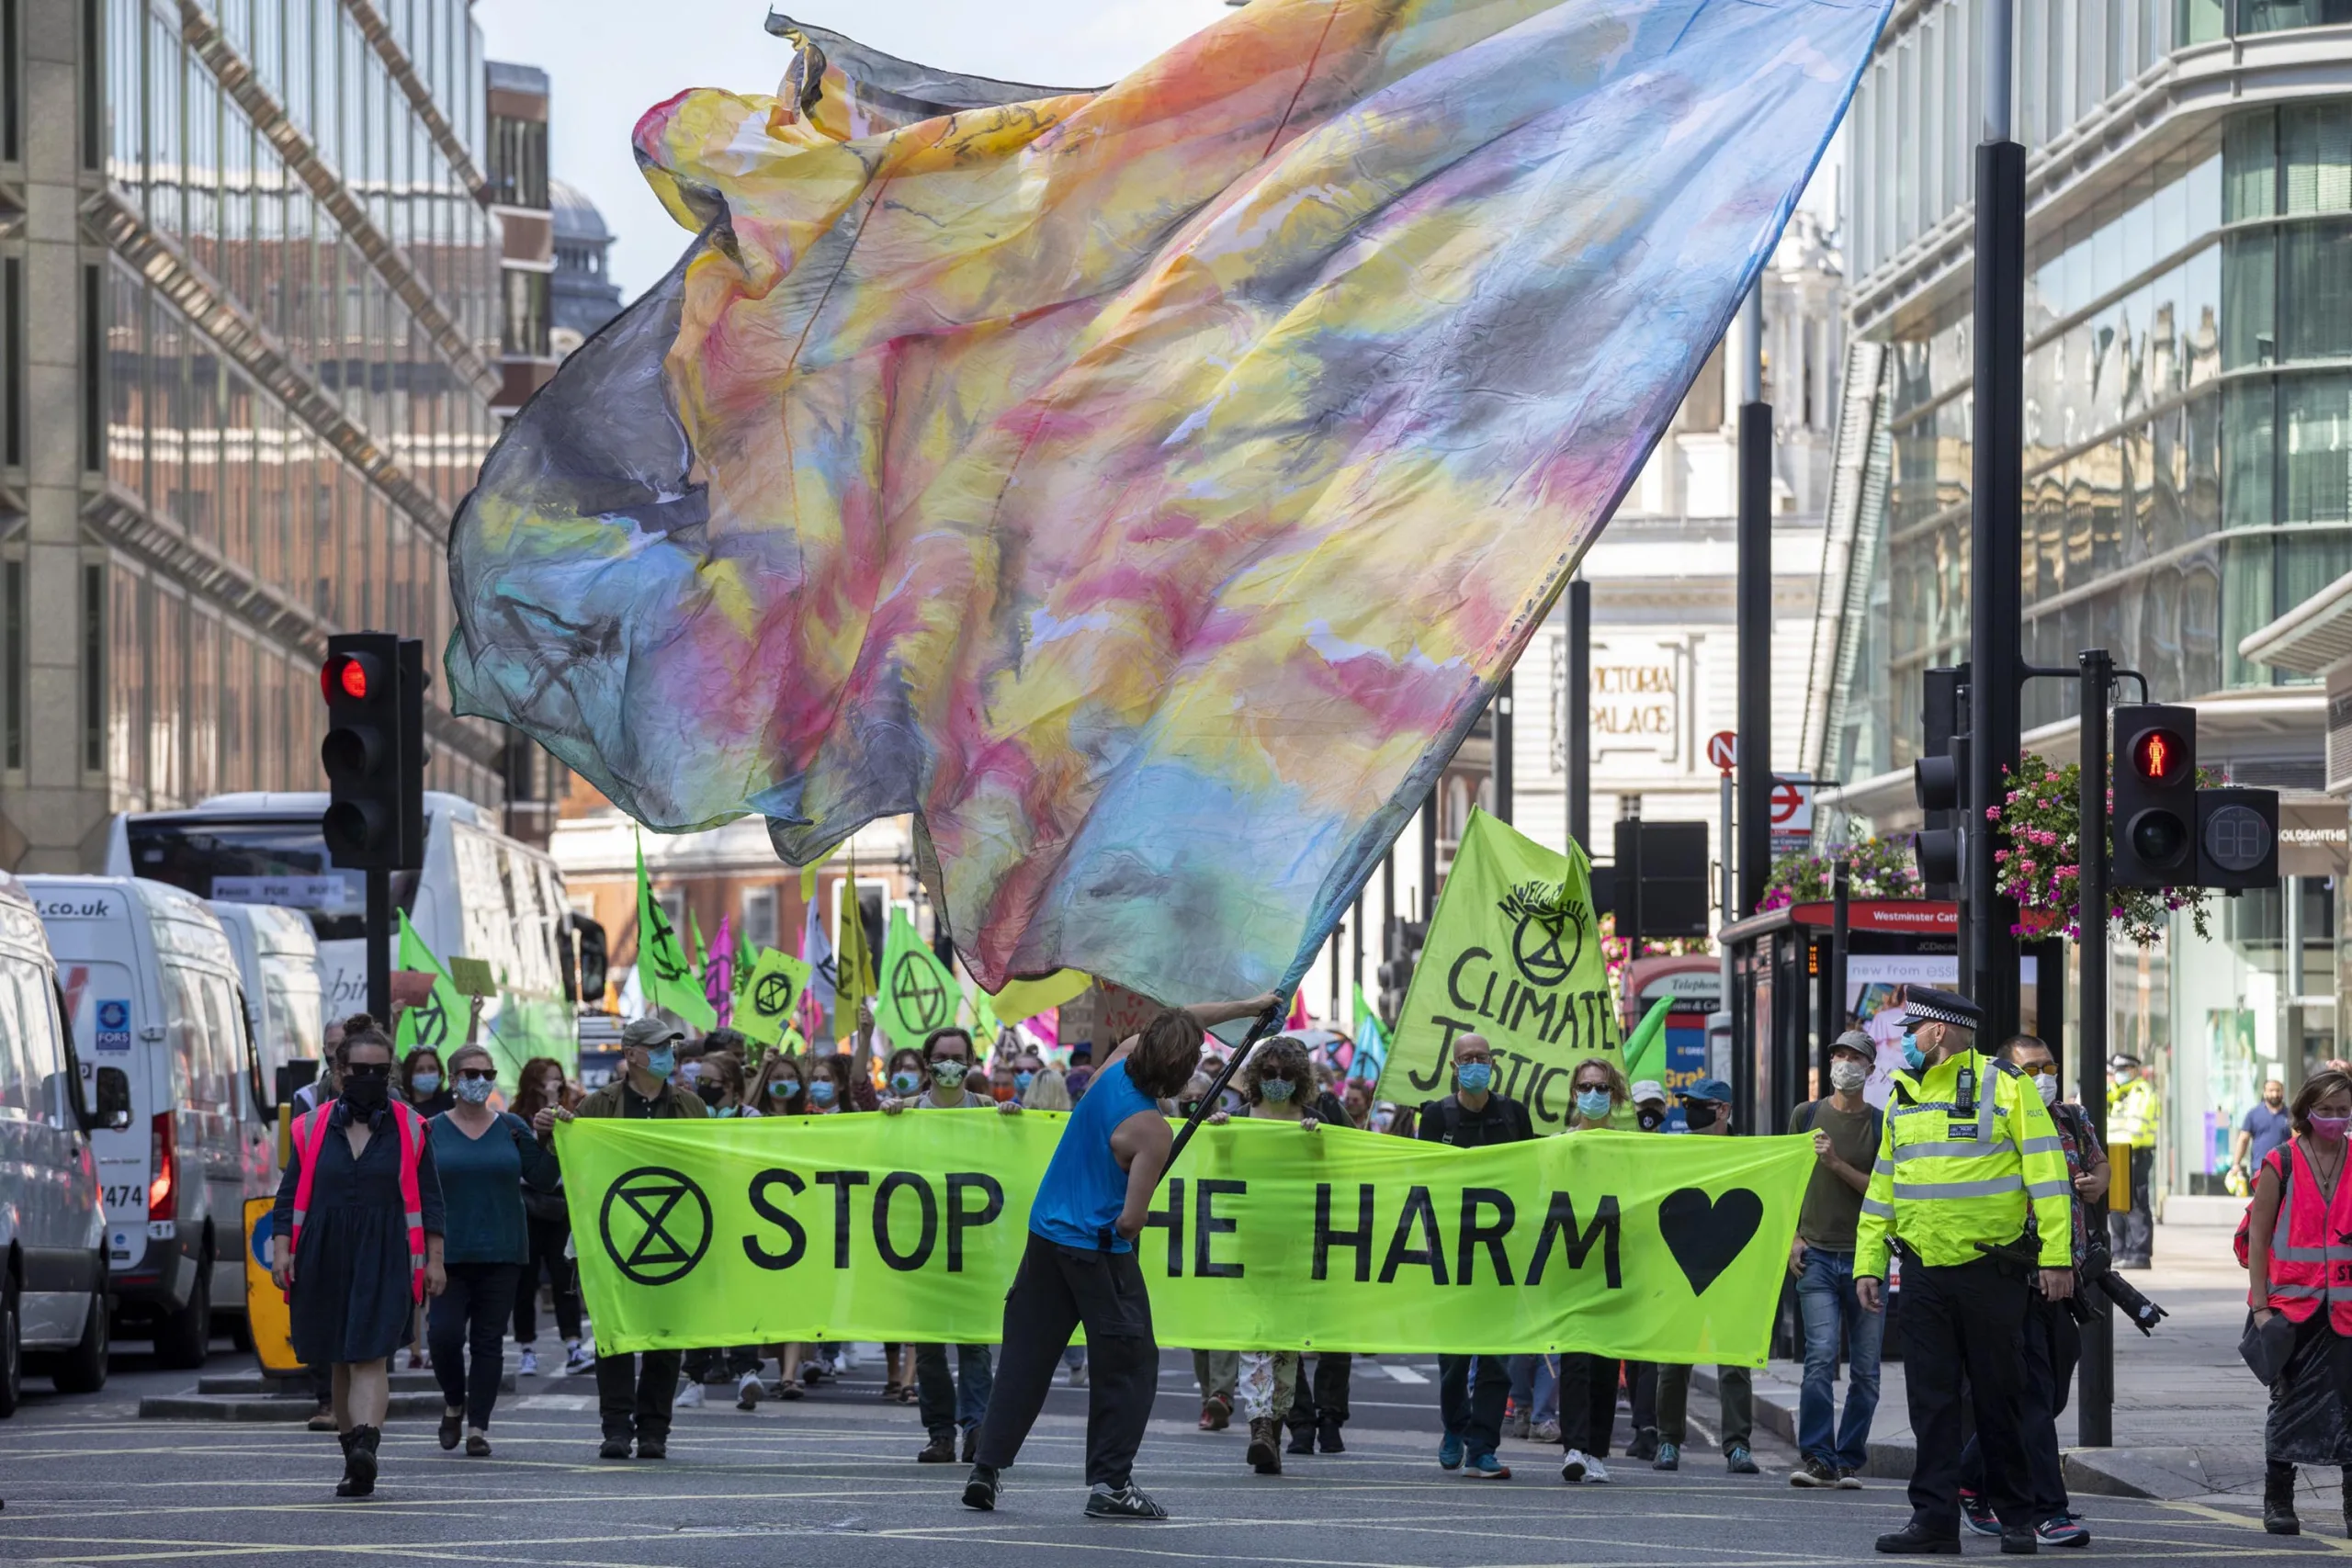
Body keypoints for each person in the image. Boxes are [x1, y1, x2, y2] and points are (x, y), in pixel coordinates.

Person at [964, 994, 1276, 1521]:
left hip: (1045, 1241)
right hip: (1099, 1254)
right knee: (1129, 1368)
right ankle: (1111, 1483)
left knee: (1024, 1361)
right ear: (1181, 1073)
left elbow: (1181, 1021)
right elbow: (1130, 1221)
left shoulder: (1114, 1066)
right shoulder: (1152, 1130)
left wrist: (1254, 1007)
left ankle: (985, 1471)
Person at [1856, 987, 2075, 1556]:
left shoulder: (2006, 1085)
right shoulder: (1904, 1097)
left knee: (2000, 1398)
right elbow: (1883, 1189)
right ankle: (1933, 1520)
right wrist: (1870, 1263)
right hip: (1924, 1272)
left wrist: (2056, 1256)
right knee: (1930, 1402)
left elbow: (2048, 1175)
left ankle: (2017, 1519)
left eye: (1914, 1028)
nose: (1906, 1038)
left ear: (1939, 1032)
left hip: (1989, 1270)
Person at [269, 1015, 447, 1498]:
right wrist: (282, 1251)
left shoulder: (413, 1128)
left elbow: (431, 1201)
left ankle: (368, 1445)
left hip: (386, 1252)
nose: (368, 1079)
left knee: (370, 1354)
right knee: (340, 1361)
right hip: (323, 1253)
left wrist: (435, 1259)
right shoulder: (308, 1128)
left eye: (380, 1071)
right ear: (340, 1070)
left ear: (389, 1073)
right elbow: (287, 1200)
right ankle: (353, 1458)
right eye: (359, 1070)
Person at [534, 1013, 710, 1460]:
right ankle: (615, 1427)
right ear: (630, 1054)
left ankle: (654, 1430)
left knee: (665, 1337)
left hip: (676, 1237)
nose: (667, 1055)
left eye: (670, 1047)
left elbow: (711, 1168)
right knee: (613, 1334)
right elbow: (567, 1160)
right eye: (657, 1047)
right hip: (612, 1238)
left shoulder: (690, 1107)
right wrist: (549, 1131)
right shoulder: (599, 1105)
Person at [1956, 1034, 2106, 1549]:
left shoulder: (2071, 1118)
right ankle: (2048, 1509)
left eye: (2049, 1066)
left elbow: (2100, 1163)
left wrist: (2098, 1182)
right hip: (2015, 1277)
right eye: (2030, 1068)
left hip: (2066, 1278)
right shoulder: (1995, 1118)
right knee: (2035, 1397)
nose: (2043, 1076)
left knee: (2045, 1396)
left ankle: (1970, 1477)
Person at [884, 1025, 1016, 1462]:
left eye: (958, 1056)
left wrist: (1017, 1124)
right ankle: (940, 1433)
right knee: (928, 1348)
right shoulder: (904, 1112)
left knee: (975, 1343)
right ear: (927, 1063)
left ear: (971, 1062)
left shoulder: (988, 1110)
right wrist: (881, 1121)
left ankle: (977, 1428)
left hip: (975, 1245)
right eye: (941, 1056)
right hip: (920, 1247)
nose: (949, 1065)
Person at [424, 1043, 559, 1457]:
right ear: (453, 1080)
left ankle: (478, 1426)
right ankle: (453, 1401)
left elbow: (542, 1178)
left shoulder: (512, 1126)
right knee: (443, 1337)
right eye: (469, 1074)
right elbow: (420, 1193)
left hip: (502, 1251)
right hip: (448, 1253)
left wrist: (549, 1139)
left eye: (487, 1074)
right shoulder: (430, 1130)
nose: (479, 1082)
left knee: (488, 1342)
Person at [1203, 1035, 1325, 1475]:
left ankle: (1273, 1425)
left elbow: (1339, 1173)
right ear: (1257, 1076)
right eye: (1269, 1073)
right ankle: (1258, 1428)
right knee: (1255, 1338)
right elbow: (1218, 1176)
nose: (1277, 1081)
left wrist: (1319, 1143)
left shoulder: (1315, 1120)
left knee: (1286, 1345)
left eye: (1286, 1075)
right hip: (1248, 1245)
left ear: (1300, 1079)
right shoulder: (1236, 1119)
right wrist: (1220, 1141)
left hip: (1296, 1248)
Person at [1418, 1032, 1532, 1482]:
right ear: (1453, 1066)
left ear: (1494, 1063)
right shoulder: (1434, 1116)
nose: (1474, 1064)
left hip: (1502, 1255)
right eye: (1466, 1058)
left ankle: (1483, 1446)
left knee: (1497, 1359)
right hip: (1452, 1254)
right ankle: (1454, 1428)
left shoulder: (1514, 1115)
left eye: (1481, 1057)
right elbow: (1422, 1177)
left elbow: (1533, 1171)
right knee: (1453, 1359)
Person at [2244, 1067, 2352, 1537]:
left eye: (2343, 1111)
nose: (2334, 1119)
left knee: (2350, 1407)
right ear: (2306, 1111)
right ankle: (2278, 1500)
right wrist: (2262, 1309)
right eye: (2325, 1110)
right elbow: (2259, 1238)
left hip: (2346, 1311)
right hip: (2292, 1309)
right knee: (2286, 1403)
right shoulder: (2280, 1162)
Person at [1787, 1032, 1885, 1491]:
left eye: (1854, 1058)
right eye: (1839, 1056)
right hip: (1818, 1258)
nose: (1845, 1064)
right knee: (1820, 1358)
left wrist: (1837, 1165)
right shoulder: (1806, 1116)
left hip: (1866, 1259)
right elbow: (1785, 1184)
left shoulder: (1882, 1125)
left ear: (1870, 1068)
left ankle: (1849, 1459)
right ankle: (1818, 1457)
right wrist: (1791, 1238)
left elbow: (1883, 1192)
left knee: (1865, 1369)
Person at [1555, 1055, 1631, 1484]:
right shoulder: (1561, 1144)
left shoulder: (1627, 1147)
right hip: (1572, 1265)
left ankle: (1597, 1451)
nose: (1594, 1095)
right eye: (1586, 1087)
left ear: (1614, 1095)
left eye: (1602, 1088)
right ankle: (1574, 1448)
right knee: (1575, 1360)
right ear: (1574, 1093)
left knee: (1604, 1362)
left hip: (1614, 1266)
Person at [2106, 1054, 2157, 1269]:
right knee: (2115, 1205)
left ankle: (2139, 1253)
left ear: (2136, 1069)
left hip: (2134, 1153)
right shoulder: (2115, 1094)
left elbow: (2135, 1129)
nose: (2120, 1073)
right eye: (2117, 1069)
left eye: (2125, 1068)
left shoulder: (2141, 1092)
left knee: (2136, 1204)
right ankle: (2119, 1251)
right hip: (2113, 1152)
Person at [2233, 1079, 2293, 1191]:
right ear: (2264, 1092)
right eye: (2271, 1090)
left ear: (2283, 1092)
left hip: (2285, 1168)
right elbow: (2243, 1140)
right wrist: (2236, 1163)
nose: (2275, 1094)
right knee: (2262, 1203)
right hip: (2260, 1167)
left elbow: (2297, 1140)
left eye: (2278, 1090)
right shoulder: (2253, 1114)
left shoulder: (2290, 1115)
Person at [401, 1046, 455, 1117]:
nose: (427, 1073)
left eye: (432, 1069)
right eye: (420, 1070)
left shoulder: (451, 1101)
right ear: (409, 1075)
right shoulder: (404, 1111)